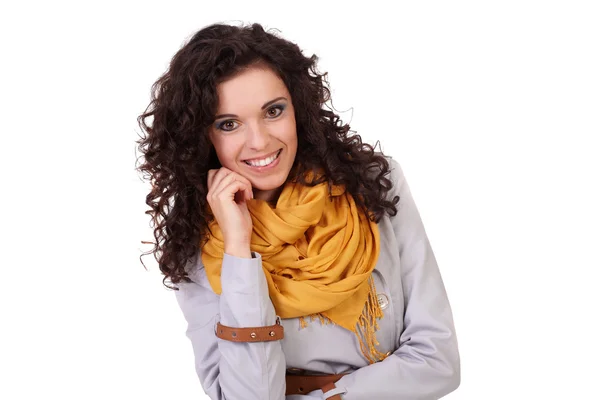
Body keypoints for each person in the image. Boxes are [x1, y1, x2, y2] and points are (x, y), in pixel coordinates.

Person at [136, 22, 460, 400]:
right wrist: (239, 249)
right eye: (229, 124)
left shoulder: (371, 182)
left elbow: (439, 362)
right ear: (202, 138)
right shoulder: (197, 240)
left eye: (273, 111)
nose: (259, 142)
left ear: (298, 109)